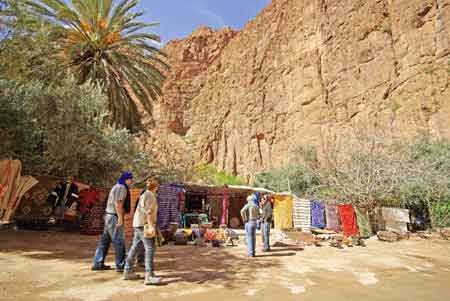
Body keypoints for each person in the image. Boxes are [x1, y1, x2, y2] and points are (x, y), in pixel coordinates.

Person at [91, 172, 133, 272]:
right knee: (119, 241)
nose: (131, 181)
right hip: (114, 216)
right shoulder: (121, 187)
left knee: (104, 241)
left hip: (109, 216)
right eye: (130, 179)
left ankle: (98, 263)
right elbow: (118, 203)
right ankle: (121, 265)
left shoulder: (117, 186)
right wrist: (120, 218)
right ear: (126, 179)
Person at [123, 179, 161, 285]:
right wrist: (150, 227)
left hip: (137, 224)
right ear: (156, 187)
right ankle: (149, 276)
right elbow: (149, 212)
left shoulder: (145, 194)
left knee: (135, 247)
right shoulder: (150, 196)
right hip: (144, 225)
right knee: (150, 249)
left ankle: (127, 270)